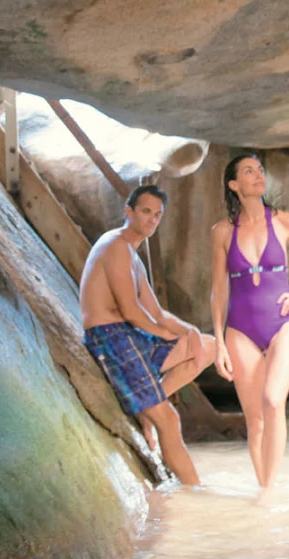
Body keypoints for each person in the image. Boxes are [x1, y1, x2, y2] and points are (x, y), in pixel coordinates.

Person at [209, 152, 289, 490]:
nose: (258, 175)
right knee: (255, 421)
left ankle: (270, 490)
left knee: (273, 400)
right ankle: (265, 492)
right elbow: (219, 291)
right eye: (248, 171)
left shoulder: (284, 221)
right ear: (234, 184)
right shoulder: (222, 232)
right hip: (240, 331)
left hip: (284, 324)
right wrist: (219, 342)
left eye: (260, 170)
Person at [81, 183, 217, 487]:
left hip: (131, 336)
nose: (152, 219)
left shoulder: (134, 256)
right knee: (169, 420)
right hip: (111, 338)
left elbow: (156, 313)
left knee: (208, 347)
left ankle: (147, 406)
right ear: (128, 212)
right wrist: (165, 336)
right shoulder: (115, 245)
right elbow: (130, 311)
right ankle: (196, 493)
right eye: (145, 211)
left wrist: (190, 331)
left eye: (157, 215)